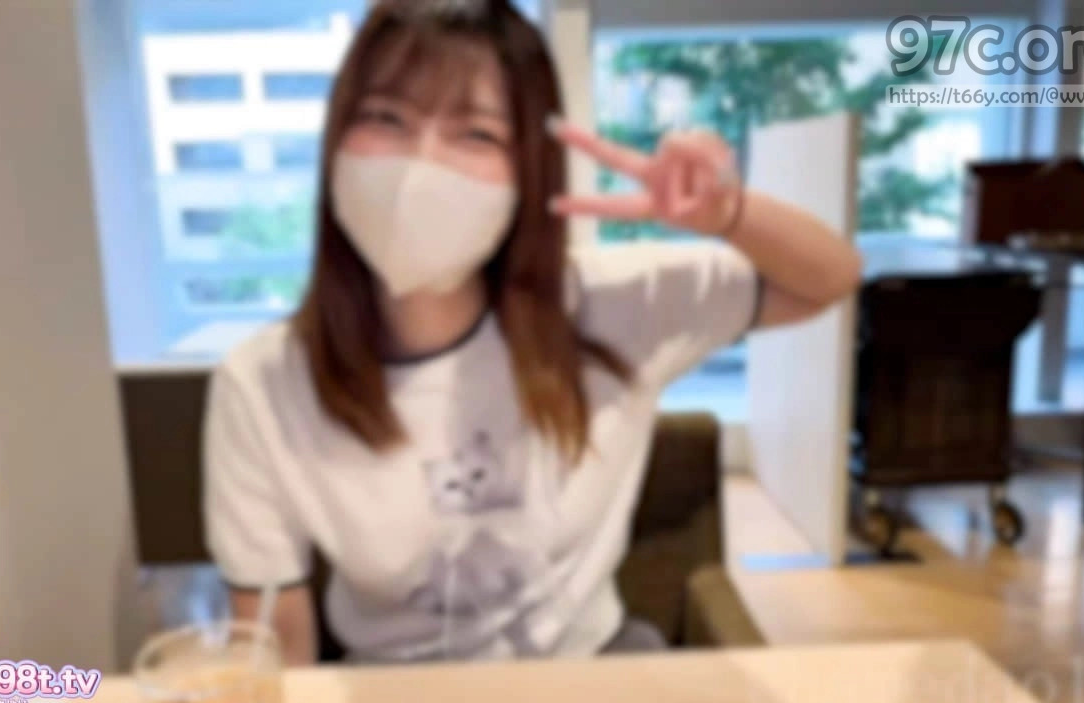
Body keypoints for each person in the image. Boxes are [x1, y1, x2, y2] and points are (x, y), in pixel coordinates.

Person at [204, 0, 861, 665]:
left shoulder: (611, 306)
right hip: (390, 692)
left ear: (529, 170)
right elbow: (274, 644)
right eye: (385, 118)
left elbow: (830, 278)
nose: (420, 166)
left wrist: (730, 214)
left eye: (476, 134)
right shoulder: (262, 384)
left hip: (590, 672)